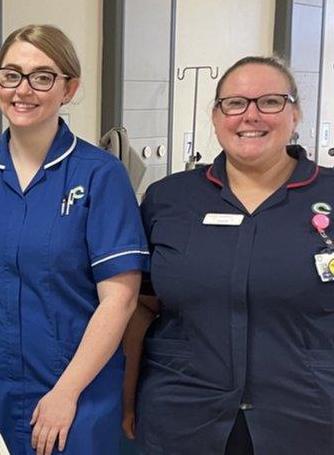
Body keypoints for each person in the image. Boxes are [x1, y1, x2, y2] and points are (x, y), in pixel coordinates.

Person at [0, 25, 146, 455]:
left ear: (69, 88)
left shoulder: (99, 175)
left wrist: (66, 394)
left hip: (75, 396)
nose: (23, 90)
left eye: (42, 77)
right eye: (11, 75)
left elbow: (119, 300)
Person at [123, 56, 334, 455]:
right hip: (182, 414)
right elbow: (140, 305)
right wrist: (127, 393)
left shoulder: (328, 195)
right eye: (235, 103)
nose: (250, 116)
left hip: (309, 416)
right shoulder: (169, 199)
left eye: (270, 102)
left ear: (296, 114)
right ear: (217, 115)